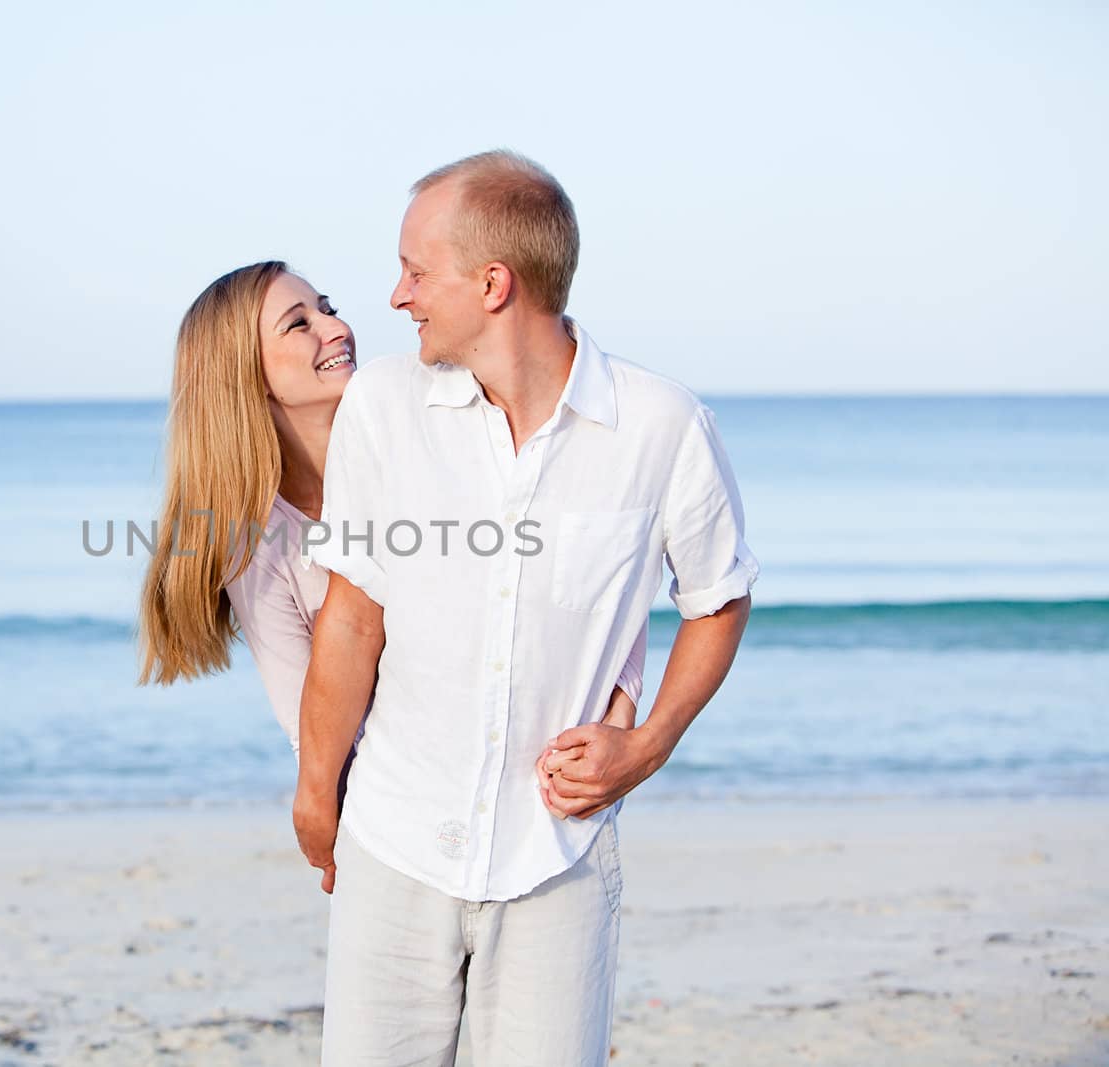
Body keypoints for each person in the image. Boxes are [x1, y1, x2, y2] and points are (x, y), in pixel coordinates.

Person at [293, 150, 759, 1065]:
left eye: (416, 272)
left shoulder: (662, 425)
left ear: (493, 283)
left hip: (561, 858)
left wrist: (648, 742)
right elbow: (353, 615)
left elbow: (719, 597)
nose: (397, 297)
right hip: (392, 842)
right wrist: (316, 792)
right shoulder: (385, 405)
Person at [135, 260, 646, 765]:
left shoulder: (432, 431)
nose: (337, 328)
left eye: (327, 308)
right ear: (246, 374)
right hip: (402, 801)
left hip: (540, 772)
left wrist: (620, 710)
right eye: (299, 323)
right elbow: (311, 738)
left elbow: (595, 559)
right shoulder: (258, 545)